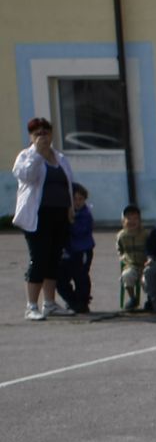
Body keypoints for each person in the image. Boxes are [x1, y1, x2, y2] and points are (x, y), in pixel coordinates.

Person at [14, 116, 76, 321]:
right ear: (31, 137)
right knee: (39, 259)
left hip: (59, 214)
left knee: (53, 259)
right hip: (37, 216)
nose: (43, 137)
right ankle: (31, 305)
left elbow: (68, 184)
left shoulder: (60, 157)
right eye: (38, 133)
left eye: (46, 133)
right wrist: (38, 154)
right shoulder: (26, 157)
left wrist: (70, 208)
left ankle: (49, 303)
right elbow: (27, 177)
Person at [55, 183, 96, 315]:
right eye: (75, 199)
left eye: (80, 199)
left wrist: (71, 222)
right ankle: (72, 301)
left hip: (82, 250)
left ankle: (82, 302)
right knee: (60, 279)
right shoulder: (65, 213)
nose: (78, 202)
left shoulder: (85, 215)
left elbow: (81, 231)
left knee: (81, 277)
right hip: (68, 252)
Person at [115, 205, 151, 313]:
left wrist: (149, 260)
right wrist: (122, 258)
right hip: (131, 264)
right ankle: (132, 298)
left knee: (147, 280)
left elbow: (151, 250)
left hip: (145, 264)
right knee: (127, 275)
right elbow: (119, 249)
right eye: (128, 218)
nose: (131, 221)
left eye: (135, 218)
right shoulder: (121, 236)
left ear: (140, 220)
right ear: (123, 221)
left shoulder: (145, 235)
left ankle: (150, 300)